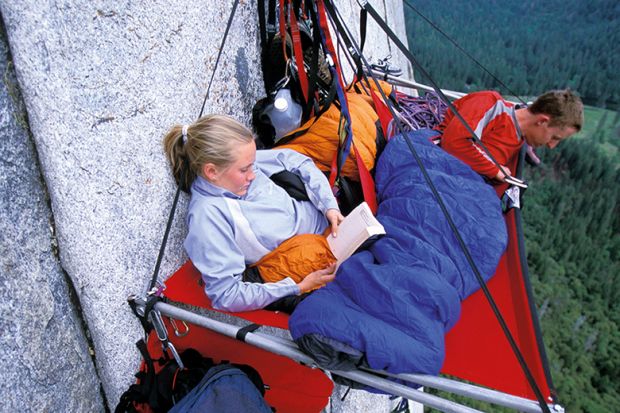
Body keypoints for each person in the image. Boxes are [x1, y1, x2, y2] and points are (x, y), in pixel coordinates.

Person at [163, 114, 344, 312]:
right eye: (244, 169)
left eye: (253, 163)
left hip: (335, 227)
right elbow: (227, 295)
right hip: (310, 264)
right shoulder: (208, 217)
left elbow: (296, 161)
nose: (253, 174)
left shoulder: (242, 166)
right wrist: (297, 287)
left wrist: (329, 206)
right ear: (212, 172)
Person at [435, 89, 584, 181]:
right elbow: (453, 142)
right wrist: (494, 169)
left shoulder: (521, 138)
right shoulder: (489, 103)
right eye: (555, 137)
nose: (551, 145)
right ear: (542, 121)